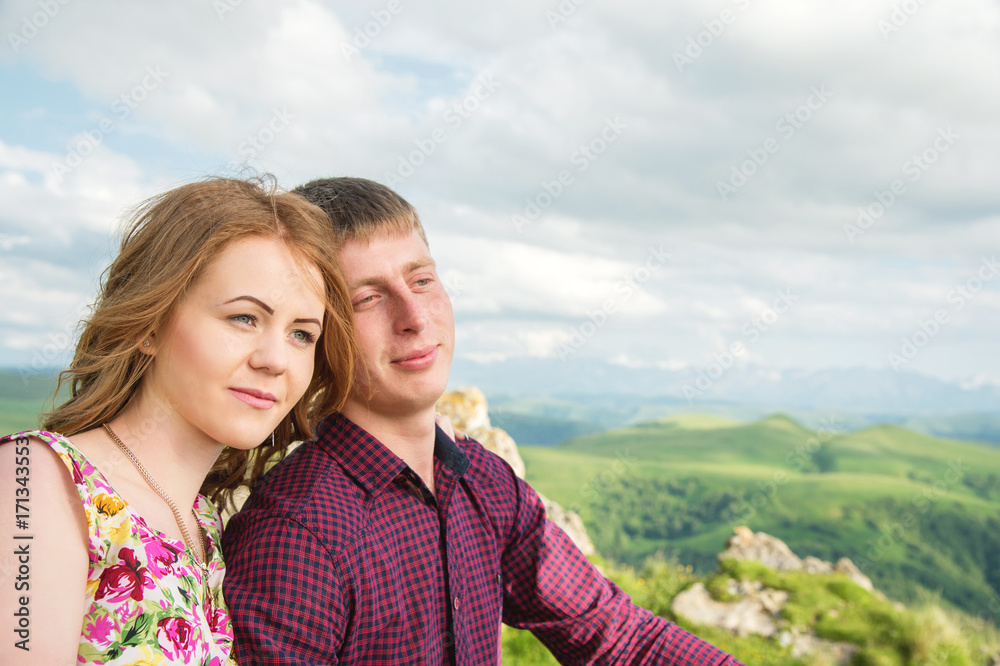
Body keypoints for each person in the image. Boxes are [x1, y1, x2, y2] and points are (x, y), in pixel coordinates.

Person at [222, 177, 745, 665]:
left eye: (422, 280)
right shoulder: (296, 534)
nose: (416, 317)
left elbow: (617, 636)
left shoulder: (484, 483)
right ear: (319, 333)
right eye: (368, 298)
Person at [0, 177, 358, 666]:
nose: (276, 360)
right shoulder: (35, 478)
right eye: (244, 318)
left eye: (301, 334)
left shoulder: (200, 522)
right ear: (149, 324)